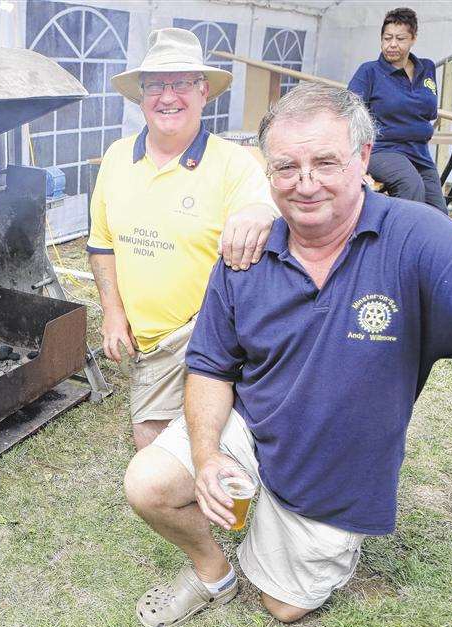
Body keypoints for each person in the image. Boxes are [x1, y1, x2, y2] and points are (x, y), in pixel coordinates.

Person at [123, 82, 452, 627]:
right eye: (286, 167)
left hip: (335, 473)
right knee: (148, 483)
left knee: (281, 607)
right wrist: (210, 454)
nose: (305, 184)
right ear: (269, 170)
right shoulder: (247, 251)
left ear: (362, 157)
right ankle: (214, 571)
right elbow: (211, 365)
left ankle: (303, 530)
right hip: (254, 427)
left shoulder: (419, 241)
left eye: (325, 162)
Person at [88, 28, 276, 450]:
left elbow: (262, 207)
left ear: (204, 91)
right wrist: (113, 313)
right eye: (156, 84)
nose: (167, 96)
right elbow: (102, 246)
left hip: (211, 334)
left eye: (181, 83)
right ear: (140, 95)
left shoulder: (233, 163)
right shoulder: (117, 157)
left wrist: (260, 213)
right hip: (152, 345)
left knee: (220, 448)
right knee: (152, 453)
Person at [348, 7, 448, 214]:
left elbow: (430, 110)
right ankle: (400, 242)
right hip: (382, 149)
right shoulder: (369, 71)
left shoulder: (427, 68)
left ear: (413, 39)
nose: (392, 44)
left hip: (419, 152)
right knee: (411, 186)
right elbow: (349, 110)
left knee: (439, 213)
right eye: (387, 38)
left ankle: (428, 245)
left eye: (400, 39)